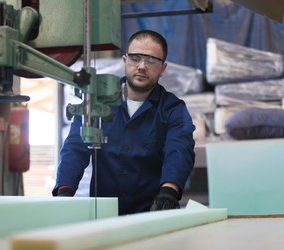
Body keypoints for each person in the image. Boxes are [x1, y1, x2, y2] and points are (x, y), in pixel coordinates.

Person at [53, 30, 195, 215]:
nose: (142, 66)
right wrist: (65, 191)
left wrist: (168, 191)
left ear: (163, 69)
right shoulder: (95, 102)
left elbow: (179, 149)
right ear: (125, 61)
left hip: (152, 214)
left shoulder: (173, 109)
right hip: (104, 215)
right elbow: (75, 147)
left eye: (151, 60)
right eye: (135, 58)